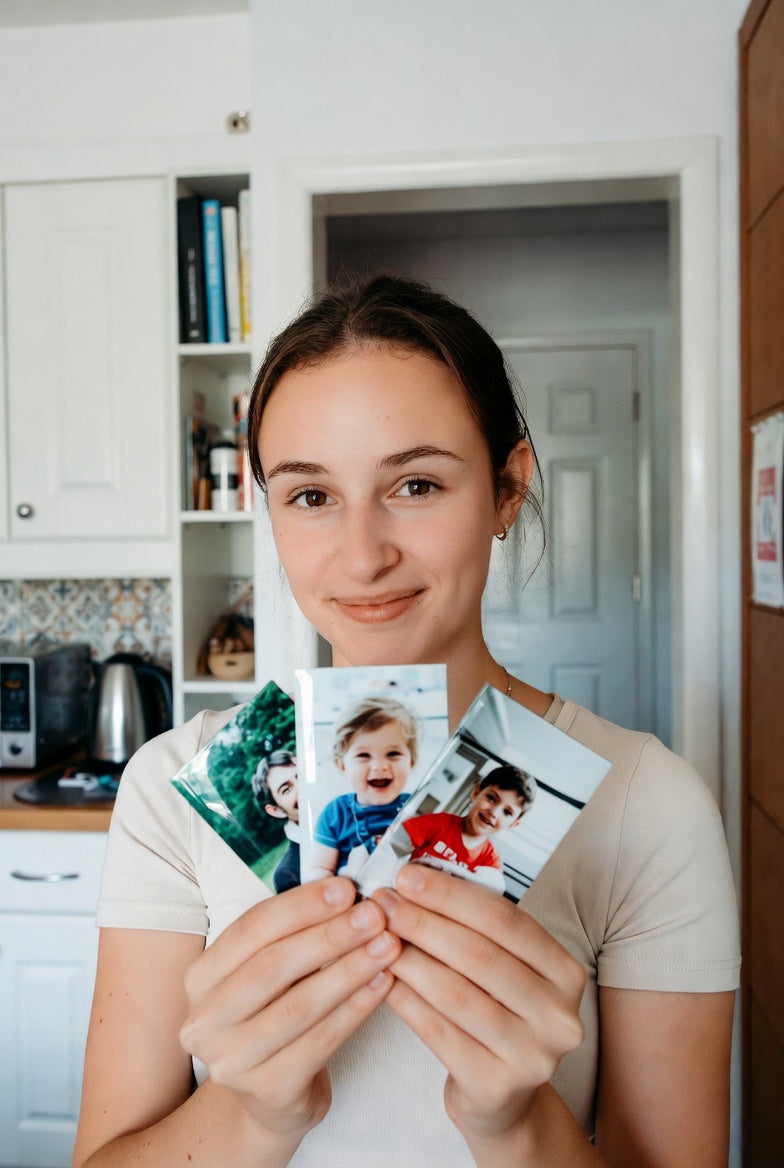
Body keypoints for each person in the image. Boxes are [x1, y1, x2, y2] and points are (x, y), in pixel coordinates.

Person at [73, 274, 740, 1168]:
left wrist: (514, 1123)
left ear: (509, 487)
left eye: (417, 484)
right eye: (311, 496)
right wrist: (251, 1115)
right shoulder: (175, 786)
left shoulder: (649, 804)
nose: (363, 554)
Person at [305, 694, 418, 881]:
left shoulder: (417, 807)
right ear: (342, 766)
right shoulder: (335, 814)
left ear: (411, 762)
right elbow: (319, 869)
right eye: (364, 755)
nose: (379, 766)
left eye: (393, 754)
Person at [391, 764, 534, 893]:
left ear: (513, 824)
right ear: (476, 792)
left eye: (507, 812)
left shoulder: (491, 862)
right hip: (406, 891)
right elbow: (390, 846)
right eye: (491, 798)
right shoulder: (440, 823)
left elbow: (485, 898)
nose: (494, 812)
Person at [252, 749, 301, 893]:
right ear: (277, 810)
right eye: (286, 790)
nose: (302, 787)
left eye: (301, 775)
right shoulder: (289, 875)